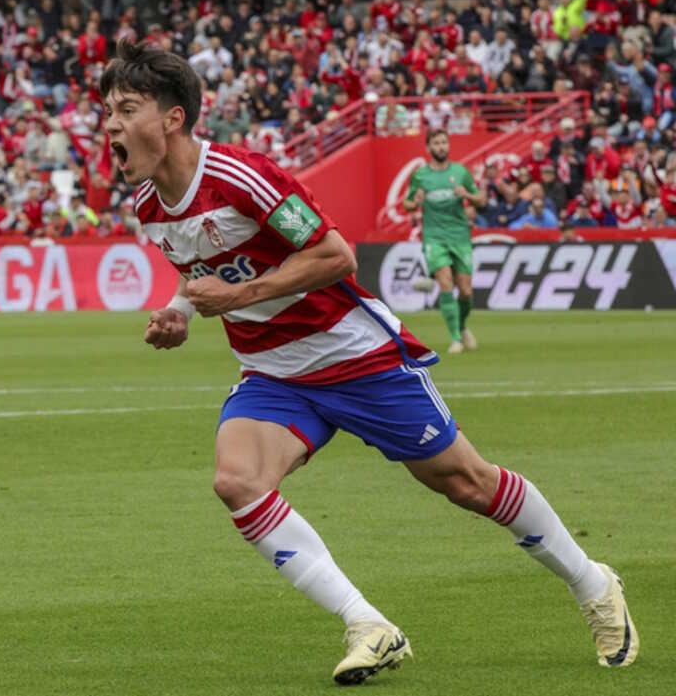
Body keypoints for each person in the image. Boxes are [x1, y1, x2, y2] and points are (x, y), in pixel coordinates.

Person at [100, 40, 638, 685]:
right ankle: (369, 625)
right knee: (236, 481)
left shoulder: (243, 176)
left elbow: (335, 255)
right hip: (273, 373)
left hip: (356, 357)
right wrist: (179, 312)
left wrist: (238, 296)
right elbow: (200, 274)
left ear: (173, 119)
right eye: (108, 110)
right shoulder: (148, 207)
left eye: (126, 109)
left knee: (466, 482)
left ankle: (592, 582)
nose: (110, 124)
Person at [402, 130, 486, 354]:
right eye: (436, 143)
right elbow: (407, 204)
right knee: (446, 282)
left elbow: (481, 199)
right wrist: (416, 201)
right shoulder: (420, 176)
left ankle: (461, 325)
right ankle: (456, 338)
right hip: (434, 236)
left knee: (466, 292)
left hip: (460, 235)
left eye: (444, 142)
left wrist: (467, 196)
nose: (441, 146)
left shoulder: (460, 173)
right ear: (428, 148)